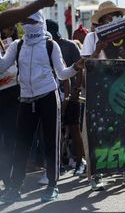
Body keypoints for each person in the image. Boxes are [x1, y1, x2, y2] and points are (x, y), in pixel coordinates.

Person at [0, 11, 85, 203]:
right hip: (25, 99)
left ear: (39, 22)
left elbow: (62, 74)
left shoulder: (50, 44)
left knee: (51, 143)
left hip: (48, 98)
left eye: (30, 20)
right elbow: (2, 65)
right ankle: (14, 188)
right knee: (21, 145)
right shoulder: (17, 44)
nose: (26, 24)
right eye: (24, 21)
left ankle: (52, 186)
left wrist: (75, 68)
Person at [81, 1, 125, 191]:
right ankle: (96, 176)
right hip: (100, 89)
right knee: (98, 133)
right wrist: (98, 50)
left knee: (124, 130)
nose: (112, 20)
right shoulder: (91, 37)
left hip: (122, 88)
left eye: (115, 16)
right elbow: (85, 64)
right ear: (101, 21)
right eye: (108, 18)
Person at [46, 19, 86, 177]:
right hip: (53, 94)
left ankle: (79, 162)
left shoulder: (70, 45)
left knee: (74, 128)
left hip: (72, 94)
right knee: (56, 131)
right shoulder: (46, 46)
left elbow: (80, 67)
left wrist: (76, 90)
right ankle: (59, 165)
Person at [0, 25, 20, 196]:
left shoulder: (15, 45)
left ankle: (10, 181)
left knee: (10, 141)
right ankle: (6, 180)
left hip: (13, 95)